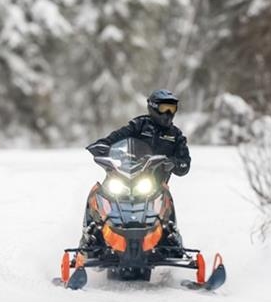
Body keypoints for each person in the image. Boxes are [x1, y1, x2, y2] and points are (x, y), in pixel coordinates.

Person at [80, 89, 191, 255]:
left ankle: (172, 238)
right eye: (164, 108)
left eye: (172, 108)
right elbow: (117, 137)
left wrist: (173, 163)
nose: (168, 113)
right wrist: (102, 145)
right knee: (98, 193)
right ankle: (91, 235)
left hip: (153, 186)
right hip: (124, 177)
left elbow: (185, 164)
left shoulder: (176, 136)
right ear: (153, 107)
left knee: (166, 198)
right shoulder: (139, 125)